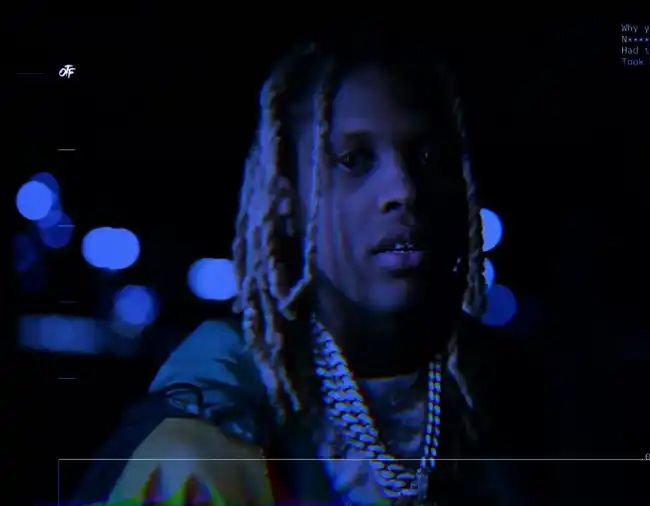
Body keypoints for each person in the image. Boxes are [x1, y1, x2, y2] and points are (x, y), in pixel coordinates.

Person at [73, 39, 525, 505]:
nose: (404, 189)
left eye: (428, 157)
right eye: (354, 160)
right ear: (288, 202)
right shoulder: (202, 441)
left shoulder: (506, 396)